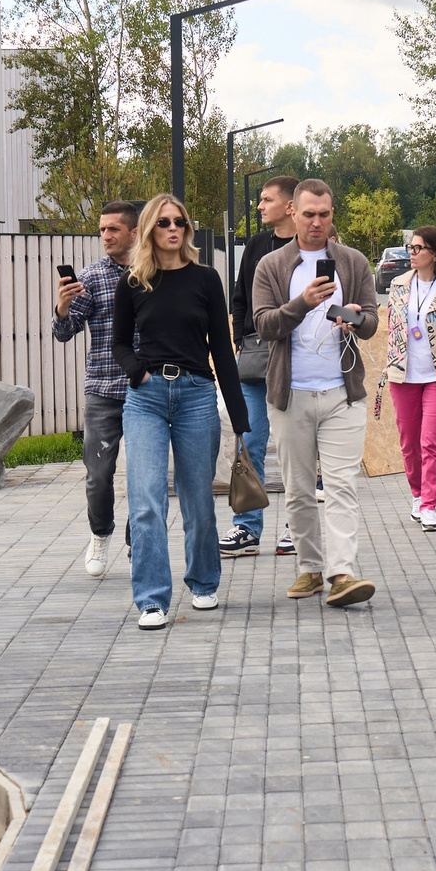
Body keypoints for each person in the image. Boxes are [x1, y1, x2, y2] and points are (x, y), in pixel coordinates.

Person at [111, 195, 249, 629]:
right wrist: (137, 373)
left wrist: (240, 418)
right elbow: (118, 343)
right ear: (150, 229)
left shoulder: (206, 280)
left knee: (198, 501)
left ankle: (204, 581)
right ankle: (152, 599)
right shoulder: (133, 282)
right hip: (146, 399)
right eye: (164, 223)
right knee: (147, 502)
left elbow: (221, 351)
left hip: (195, 396)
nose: (174, 229)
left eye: (180, 222)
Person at [251, 179, 383, 608]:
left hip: (342, 392)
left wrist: (356, 320)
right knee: (299, 489)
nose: (317, 222)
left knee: (342, 485)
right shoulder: (271, 265)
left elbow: (372, 323)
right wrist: (303, 303)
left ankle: (341, 573)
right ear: (292, 212)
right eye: (308, 214)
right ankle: (310, 569)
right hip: (291, 394)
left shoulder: (353, 261)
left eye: (324, 214)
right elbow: (264, 325)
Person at [52, 199, 142, 579]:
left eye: (113, 229)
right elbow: (64, 333)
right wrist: (61, 308)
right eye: (102, 229)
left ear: (133, 233)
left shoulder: (153, 272)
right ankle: (100, 534)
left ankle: (138, 542)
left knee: (144, 473)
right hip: (103, 388)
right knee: (98, 474)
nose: (105, 236)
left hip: (144, 388)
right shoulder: (90, 278)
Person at [223, 174, 299, 558]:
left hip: (297, 359)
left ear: (289, 206)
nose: (258, 206)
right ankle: (246, 529)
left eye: (266, 200)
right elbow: (239, 296)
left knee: (295, 444)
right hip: (254, 357)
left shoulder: (313, 247)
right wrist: (241, 339)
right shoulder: (255, 245)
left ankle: (295, 526)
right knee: (249, 441)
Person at [381, 225, 436, 533]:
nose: (412, 254)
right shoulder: (399, 285)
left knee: (431, 441)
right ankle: (417, 495)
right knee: (409, 442)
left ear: (435, 253)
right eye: (411, 248)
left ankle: (430, 504)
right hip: (402, 374)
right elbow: (392, 325)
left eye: (418, 248)